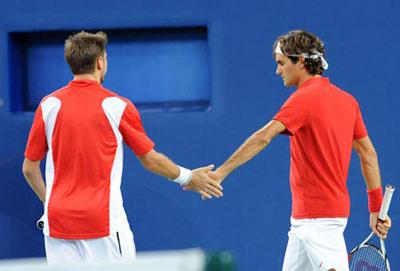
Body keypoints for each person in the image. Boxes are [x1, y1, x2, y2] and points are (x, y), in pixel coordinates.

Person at [22, 31, 223, 264]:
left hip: (58, 224)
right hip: (103, 223)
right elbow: (150, 160)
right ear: (100, 62)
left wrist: (51, 204)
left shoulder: (48, 105)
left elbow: (29, 168)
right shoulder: (117, 106)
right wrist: (188, 177)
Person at [202, 30, 391, 270]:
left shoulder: (303, 99)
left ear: (300, 61)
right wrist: (375, 208)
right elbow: (368, 154)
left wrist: (221, 173)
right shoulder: (348, 101)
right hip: (306, 221)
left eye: (281, 63)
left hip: (318, 221)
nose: (278, 71)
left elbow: (263, 137)